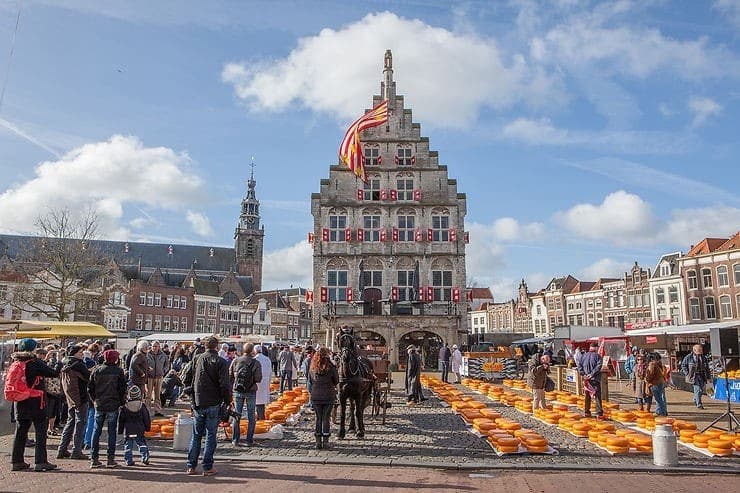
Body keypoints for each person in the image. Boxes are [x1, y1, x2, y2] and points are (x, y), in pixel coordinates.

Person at [9, 338, 60, 472]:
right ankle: (41, 461)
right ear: (33, 349)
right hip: (36, 401)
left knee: (20, 431)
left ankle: (17, 461)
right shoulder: (34, 362)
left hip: (19, 400)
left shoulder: (15, 362)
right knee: (40, 430)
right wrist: (55, 360)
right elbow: (53, 372)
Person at [184, 336, 231, 477]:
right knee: (211, 435)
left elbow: (186, 377)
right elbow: (224, 384)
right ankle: (207, 466)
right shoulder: (221, 362)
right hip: (213, 402)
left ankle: (191, 466)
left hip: (198, 401)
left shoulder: (197, 358)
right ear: (216, 347)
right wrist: (228, 400)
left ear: (205, 346)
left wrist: (191, 393)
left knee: (196, 434)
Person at [88, 349, 126, 468]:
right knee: (111, 431)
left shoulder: (97, 370)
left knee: (96, 430)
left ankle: (94, 458)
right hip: (113, 404)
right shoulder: (118, 371)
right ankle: (110, 458)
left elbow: (90, 388)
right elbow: (122, 389)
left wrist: (94, 400)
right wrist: (121, 402)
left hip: (99, 403)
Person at [58, 344, 91, 460]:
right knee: (80, 423)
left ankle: (62, 449)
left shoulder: (65, 363)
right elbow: (89, 377)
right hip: (80, 396)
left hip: (70, 397)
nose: (82, 354)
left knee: (70, 421)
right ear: (75, 353)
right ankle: (76, 450)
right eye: (80, 352)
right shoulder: (79, 364)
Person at [229, 343, 262, 447]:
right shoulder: (256, 363)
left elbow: (230, 375)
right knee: (251, 416)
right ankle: (249, 440)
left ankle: (235, 439)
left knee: (236, 415)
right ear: (252, 351)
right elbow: (258, 379)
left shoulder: (236, 360)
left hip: (238, 391)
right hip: (251, 391)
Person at [308, 347, 339, 450]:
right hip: (328, 395)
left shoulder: (313, 367)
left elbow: (310, 382)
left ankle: (318, 441)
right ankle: (325, 441)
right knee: (326, 418)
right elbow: (336, 381)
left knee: (318, 418)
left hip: (316, 396)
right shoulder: (331, 367)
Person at [118, 385, 151, 466]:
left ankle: (128, 460)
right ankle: (145, 458)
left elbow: (121, 420)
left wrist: (120, 430)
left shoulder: (125, 407)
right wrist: (147, 428)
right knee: (142, 444)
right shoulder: (141, 406)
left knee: (128, 446)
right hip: (139, 429)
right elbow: (146, 418)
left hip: (129, 430)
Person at [681, 344, 712, 409]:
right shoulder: (689, 357)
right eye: (699, 350)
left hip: (702, 375)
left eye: (701, 349)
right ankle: (699, 404)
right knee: (698, 389)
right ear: (694, 350)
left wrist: (709, 377)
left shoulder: (703, 358)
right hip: (694, 376)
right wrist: (687, 373)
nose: (701, 351)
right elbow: (683, 365)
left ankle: (696, 398)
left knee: (700, 389)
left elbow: (707, 368)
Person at [577, 342, 603, 418]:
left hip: (586, 380)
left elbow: (579, 366)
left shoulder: (583, 356)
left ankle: (587, 412)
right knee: (597, 396)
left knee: (587, 396)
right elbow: (598, 367)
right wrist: (591, 374)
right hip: (594, 379)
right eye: (597, 348)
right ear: (595, 348)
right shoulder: (598, 356)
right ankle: (599, 413)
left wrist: (584, 375)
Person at [43, 349, 64, 436]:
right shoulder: (46, 367)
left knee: (54, 411)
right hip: (50, 391)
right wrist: (58, 360)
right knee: (50, 412)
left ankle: (50, 428)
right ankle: (48, 428)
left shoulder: (47, 366)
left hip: (55, 391)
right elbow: (56, 371)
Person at [147, 341, 169, 417]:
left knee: (157, 395)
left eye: (156, 346)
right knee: (148, 395)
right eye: (153, 346)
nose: (154, 348)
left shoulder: (163, 355)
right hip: (150, 377)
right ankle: (147, 410)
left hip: (159, 377)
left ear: (159, 347)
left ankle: (157, 410)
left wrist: (163, 371)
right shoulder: (147, 354)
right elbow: (144, 364)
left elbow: (167, 364)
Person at [129, 341, 150, 409]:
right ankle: (137, 410)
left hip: (139, 380)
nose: (148, 348)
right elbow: (134, 365)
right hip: (137, 380)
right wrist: (142, 374)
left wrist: (147, 368)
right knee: (137, 397)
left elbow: (138, 365)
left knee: (140, 396)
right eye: (147, 347)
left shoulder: (141, 355)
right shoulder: (139, 355)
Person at [254, 344, 273, 420]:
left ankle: (259, 417)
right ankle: (260, 416)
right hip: (265, 381)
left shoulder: (255, 359)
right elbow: (270, 371)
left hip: (257, 382)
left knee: (257, 401)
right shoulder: (267, 359)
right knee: (261, 402)